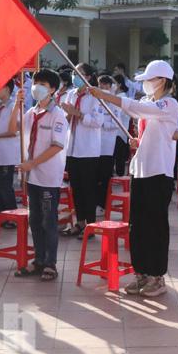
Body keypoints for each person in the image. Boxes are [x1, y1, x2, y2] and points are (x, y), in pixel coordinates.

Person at [89, 59, 178, 298]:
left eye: (150, 79)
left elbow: (135, 108)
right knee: (137, 226)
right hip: (140, 170)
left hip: (159, 172)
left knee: (155, 225)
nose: (146, 83)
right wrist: (138, 142)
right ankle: (141, 273)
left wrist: (104, 95)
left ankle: (157, 276)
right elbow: (149, 127)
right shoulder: (148, 102)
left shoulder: (169, 103)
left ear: (162, 81)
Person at [11, 69, 67, 280]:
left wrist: (32, 163)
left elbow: (57, 146)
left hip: (48, 177)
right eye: (36, 83)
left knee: (48, 221)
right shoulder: (31, 112)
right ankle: (39, 259)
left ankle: (50, 263)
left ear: (52, 89)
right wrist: (16, 105)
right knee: (34, 220)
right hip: (32, 177)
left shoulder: (57, 115)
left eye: (43, 84)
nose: (37, 88)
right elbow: (13, 128)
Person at [60, 62, 106, 237]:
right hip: (72, 148)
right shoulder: (71, 94)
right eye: (74, 73)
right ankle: (79, 222)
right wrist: (67, 114)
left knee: (88, 188)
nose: (75, 77)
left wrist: (78, 114)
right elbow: (65, 119)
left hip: (88, 150)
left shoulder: (94, 95)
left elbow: (98, 121)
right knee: (76, 188)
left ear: (88, 77)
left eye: (79, 74)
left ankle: (91, 225)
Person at [0, 79, 20, 226]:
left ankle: (12, 217)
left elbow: (14, 130)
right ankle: (3, 216)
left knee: (5, 187)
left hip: (7, 153)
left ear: (7, 89)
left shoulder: (14, 106)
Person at [96, 74, 126, 212]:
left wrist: (101, 123)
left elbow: (116, 124)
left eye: (105, 85)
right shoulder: (96, 101)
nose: (102, 87)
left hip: (107, 146)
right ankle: (96, 202)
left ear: (110, 86)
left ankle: (103, 204)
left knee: (105, 177)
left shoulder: (114, 103)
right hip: (95, 146)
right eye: (100, 85)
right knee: (95, 177)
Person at [111, 73, 131, 176]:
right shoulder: (116, 96)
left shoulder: (121, 97)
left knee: (119, 158)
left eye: (113, 83)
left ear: (119, 84)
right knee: (116, 157)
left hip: (119, 132)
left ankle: (120, 178)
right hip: (116, 131)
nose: (111, 86)